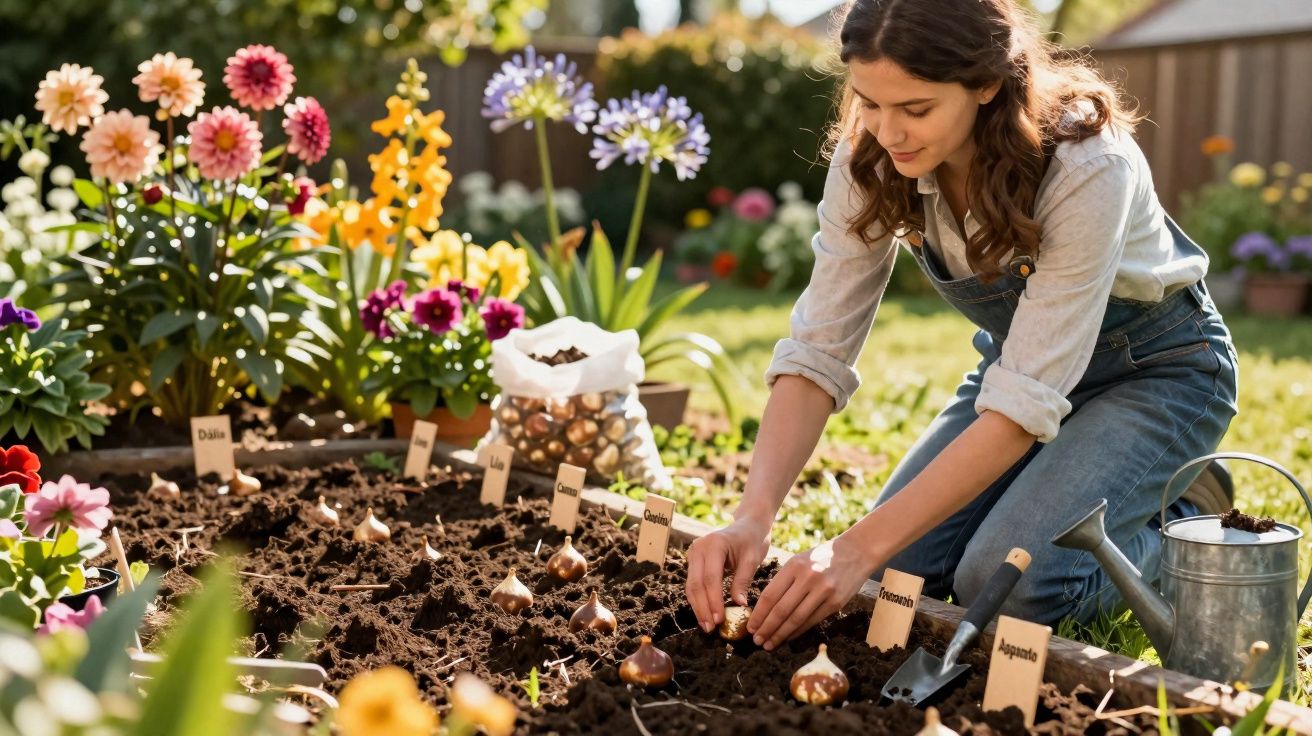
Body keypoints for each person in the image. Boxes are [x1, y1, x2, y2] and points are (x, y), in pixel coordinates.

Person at [684, 0, 1239, 652]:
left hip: (1155, 374)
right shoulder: (870, 160)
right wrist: (752, 518)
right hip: (1020, 373)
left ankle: (1191, 525)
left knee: (1008, 585)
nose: (889, 132)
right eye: (869, 102)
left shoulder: (1088, 165)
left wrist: (851, 548)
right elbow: (818, 347)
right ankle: (1094, 484)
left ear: (986, 83)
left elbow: (1020, 406)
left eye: (915, 109)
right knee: (896, 573)